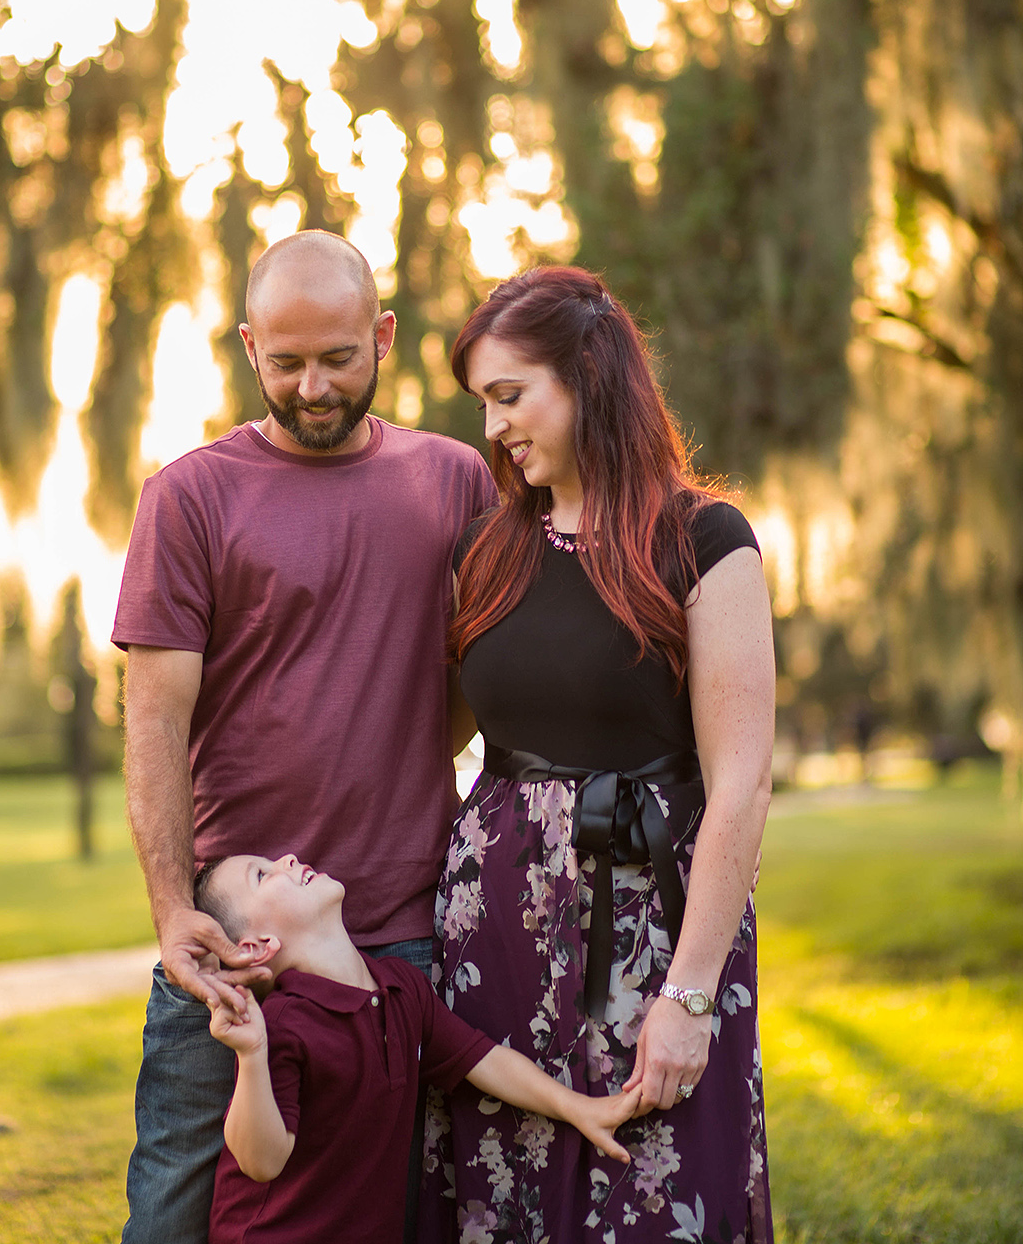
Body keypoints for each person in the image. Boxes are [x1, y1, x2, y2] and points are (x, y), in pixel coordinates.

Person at [112, 230, 497, 1244]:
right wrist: (171, 909)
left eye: (338, 358)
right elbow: (154, 722)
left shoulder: (457, 481)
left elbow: (482, 681)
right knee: (173, 1210)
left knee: (390, 1215)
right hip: (231, 940)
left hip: (402, 935)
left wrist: (402, 739)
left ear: (384, 337)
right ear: (249, 348)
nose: (313, 388)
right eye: (286, 363)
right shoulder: (190, 496)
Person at [420, 265, 777, 1243]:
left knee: (657, 1200)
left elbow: (742, 784)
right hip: (492, 944)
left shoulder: (704, 541)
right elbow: (432, 743)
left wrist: (690, 995)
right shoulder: (484, 552)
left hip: (652, 940)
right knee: (504, 1208)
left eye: (509, 395)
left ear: (587, 374)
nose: (493, 426)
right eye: (483, 403)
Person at [195, 849, 641, 1243]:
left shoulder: (402, 988)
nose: (288, 859)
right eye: (262, 874)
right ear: (257, 947)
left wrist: (578, 1108)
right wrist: (251, 1056)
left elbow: (483, 1059)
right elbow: (261, 1161)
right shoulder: (282, 1025)